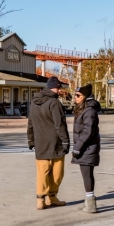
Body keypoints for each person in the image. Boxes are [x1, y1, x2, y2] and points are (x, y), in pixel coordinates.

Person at [27, 77, 71, 210]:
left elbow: (30, 123)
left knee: (42, 171)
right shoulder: (54, 103)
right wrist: (65, 141)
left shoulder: (34, 103)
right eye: (59, 88)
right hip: (55, 142)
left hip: (40, 143)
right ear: (55, 87)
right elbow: (60, 124)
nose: (59, 90)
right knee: (57, 172)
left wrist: (31, 140)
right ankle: (52, 197)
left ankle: (40, 200)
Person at [71, 84, 101, 213]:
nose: (75, 98)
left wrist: (78, 147)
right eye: (75, 95)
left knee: (87, 175)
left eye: (78, 96)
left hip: (87, 148)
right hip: (85, 147)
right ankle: (89, 202)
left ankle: (91, 204)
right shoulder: (84, 109)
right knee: (86, 175)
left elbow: (87, 131)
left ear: (85, 97)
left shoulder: (89, 111)